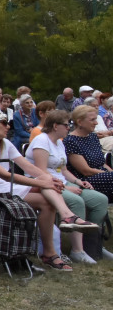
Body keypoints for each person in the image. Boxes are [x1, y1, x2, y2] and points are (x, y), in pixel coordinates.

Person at [0, 111, 96, 272]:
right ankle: (57, 237)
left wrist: (48, 179)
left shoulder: (5, 144)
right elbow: (5, 175)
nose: (8, 126)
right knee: (45, 193)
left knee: (47, 196)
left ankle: (62, 227)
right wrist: (44, 181)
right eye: (3, 123)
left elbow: (27, 167)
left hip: (9, 188)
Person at [27, 109, 108, 264]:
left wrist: (78, 182)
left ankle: (94, 247)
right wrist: (66, 187)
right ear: (55, 126)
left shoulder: (59, 142)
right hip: (45, 184)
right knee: (76, 201)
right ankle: (78, 250)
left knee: (100, 200)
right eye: (66, 124)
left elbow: (63, 170)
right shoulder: (41, 141)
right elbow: (41, 172)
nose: (69, 127)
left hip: (62, 181)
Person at [65, 105, 113, 200]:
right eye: (92, 120)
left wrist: (110, 172)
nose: (96, 123)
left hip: (103, 175)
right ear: (80, 122)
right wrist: (108, 174)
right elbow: (86, 171)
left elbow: (102, 164)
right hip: (85, 180)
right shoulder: (70, 141)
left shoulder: (92, 137)